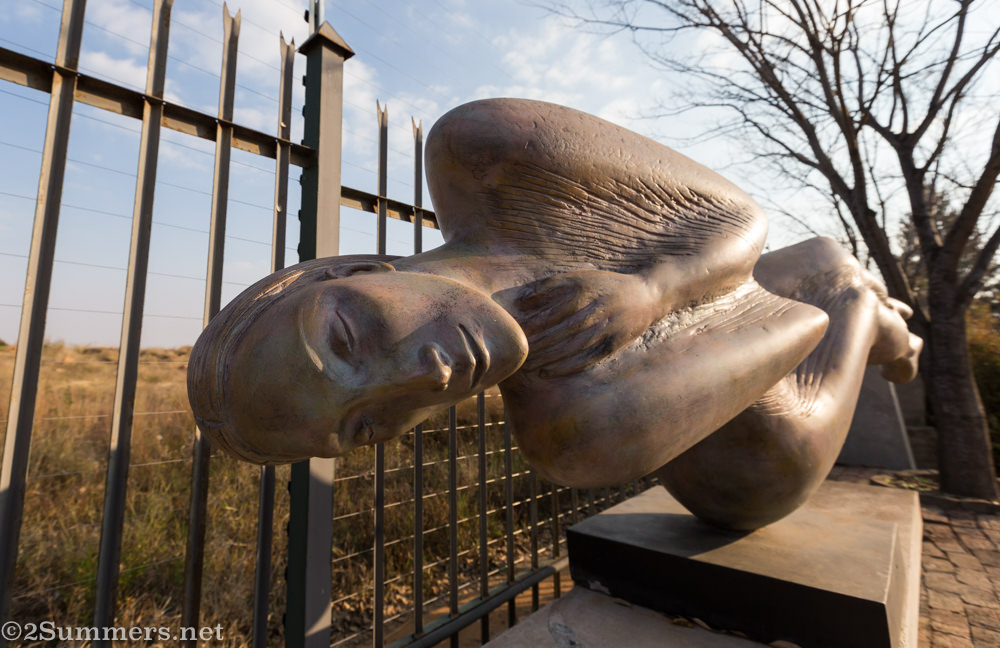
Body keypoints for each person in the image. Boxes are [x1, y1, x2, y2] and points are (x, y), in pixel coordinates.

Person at [187, 98, 920, 529]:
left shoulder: (487, 151)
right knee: (846, 299)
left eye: (350, 336)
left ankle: (878, 308)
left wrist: (652, 292)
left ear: (347, 270)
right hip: (767, 453)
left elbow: (737, 213)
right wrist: (670, 287)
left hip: (723, 296)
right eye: (366, 425)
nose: (422, 378)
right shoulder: (578, 429)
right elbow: (798, 326)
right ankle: (885, 323)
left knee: (825, 254)